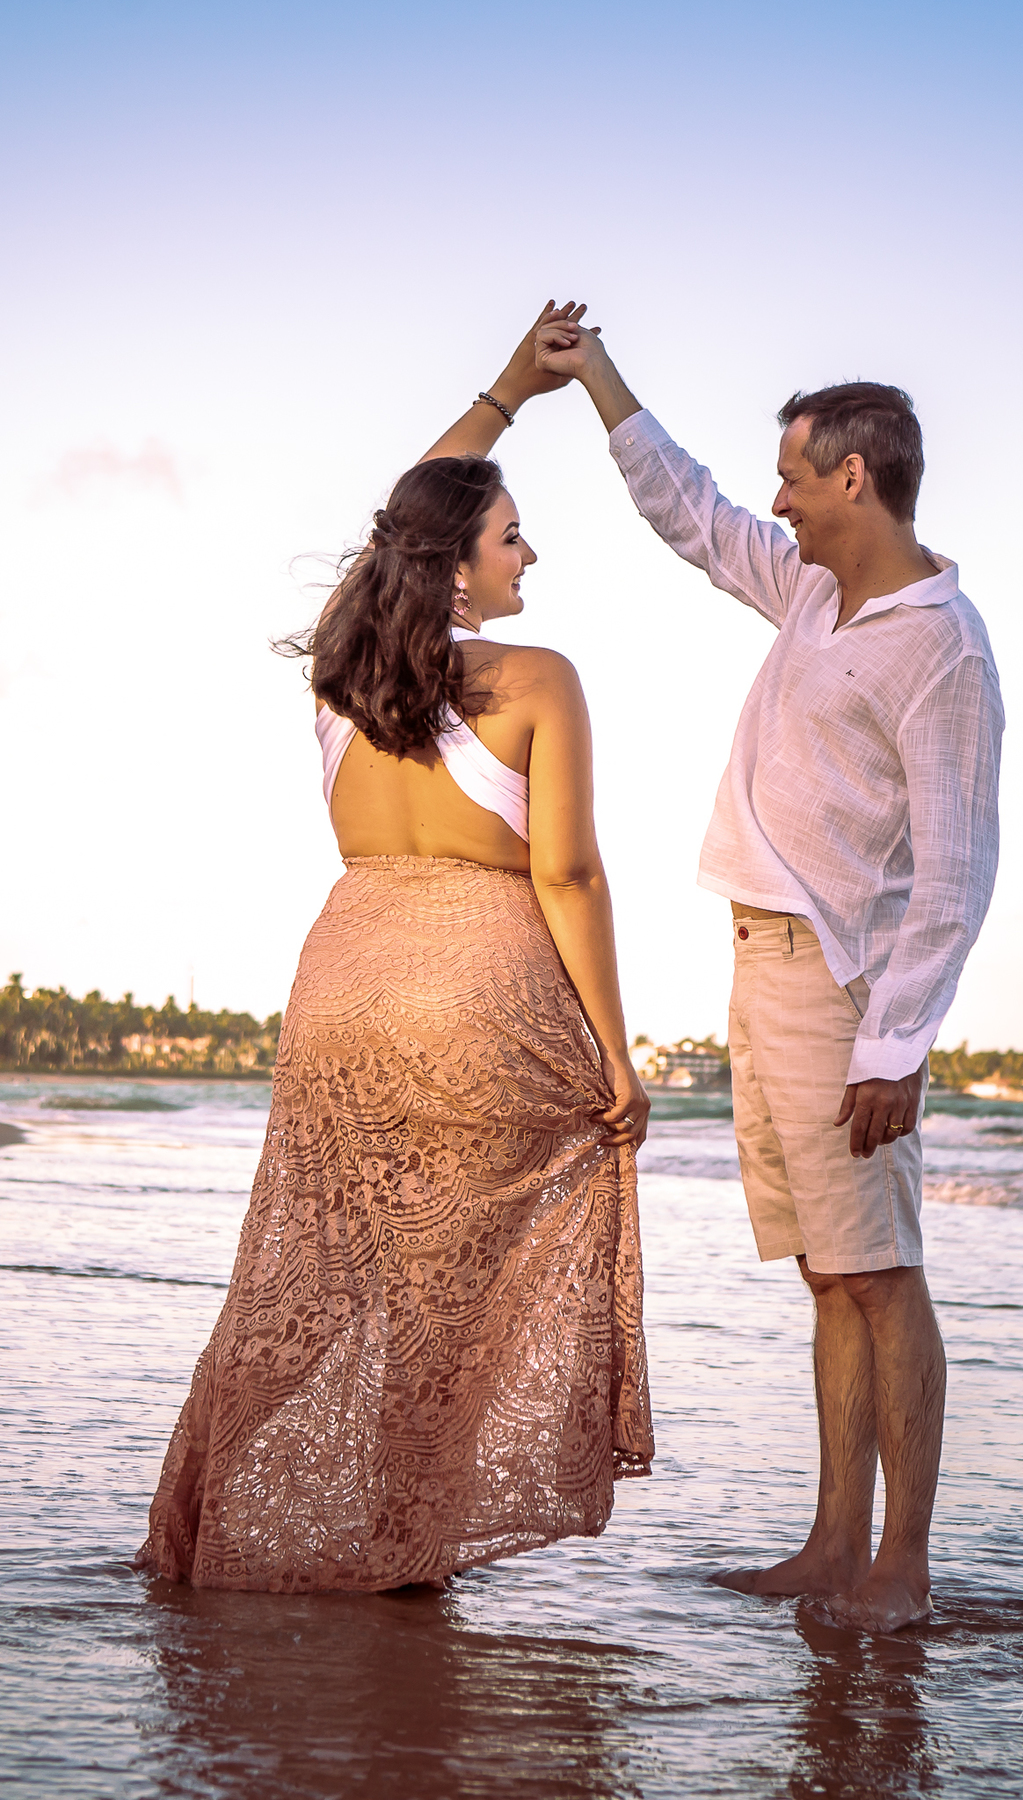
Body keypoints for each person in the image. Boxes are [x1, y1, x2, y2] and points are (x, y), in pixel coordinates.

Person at [136, 302, 654, 1594]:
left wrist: (506, 391)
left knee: (304, 1285)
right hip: (480, 1003)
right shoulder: (538, 679)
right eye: (511, 533)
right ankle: (402, 1555)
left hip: (344, 991)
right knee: (444, 1306)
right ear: (459, 566)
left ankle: (198, 1532)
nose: (530, 552)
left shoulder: (339, 672)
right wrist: (617, 1055)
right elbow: (569, 875)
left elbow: (400, 525)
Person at [536, 318, 1003, 1632]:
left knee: (881, 1273)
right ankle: (831, 1544)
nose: (778, 500)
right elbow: (690, 512)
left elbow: (958, 872)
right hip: (760, 967)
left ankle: (900, 1566)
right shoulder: (808, 590)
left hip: (843, 991)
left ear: (855, 476)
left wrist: (893, 1046)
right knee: (827, 1274)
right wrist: (597, 379)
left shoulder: (943, 647)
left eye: (795, 475)